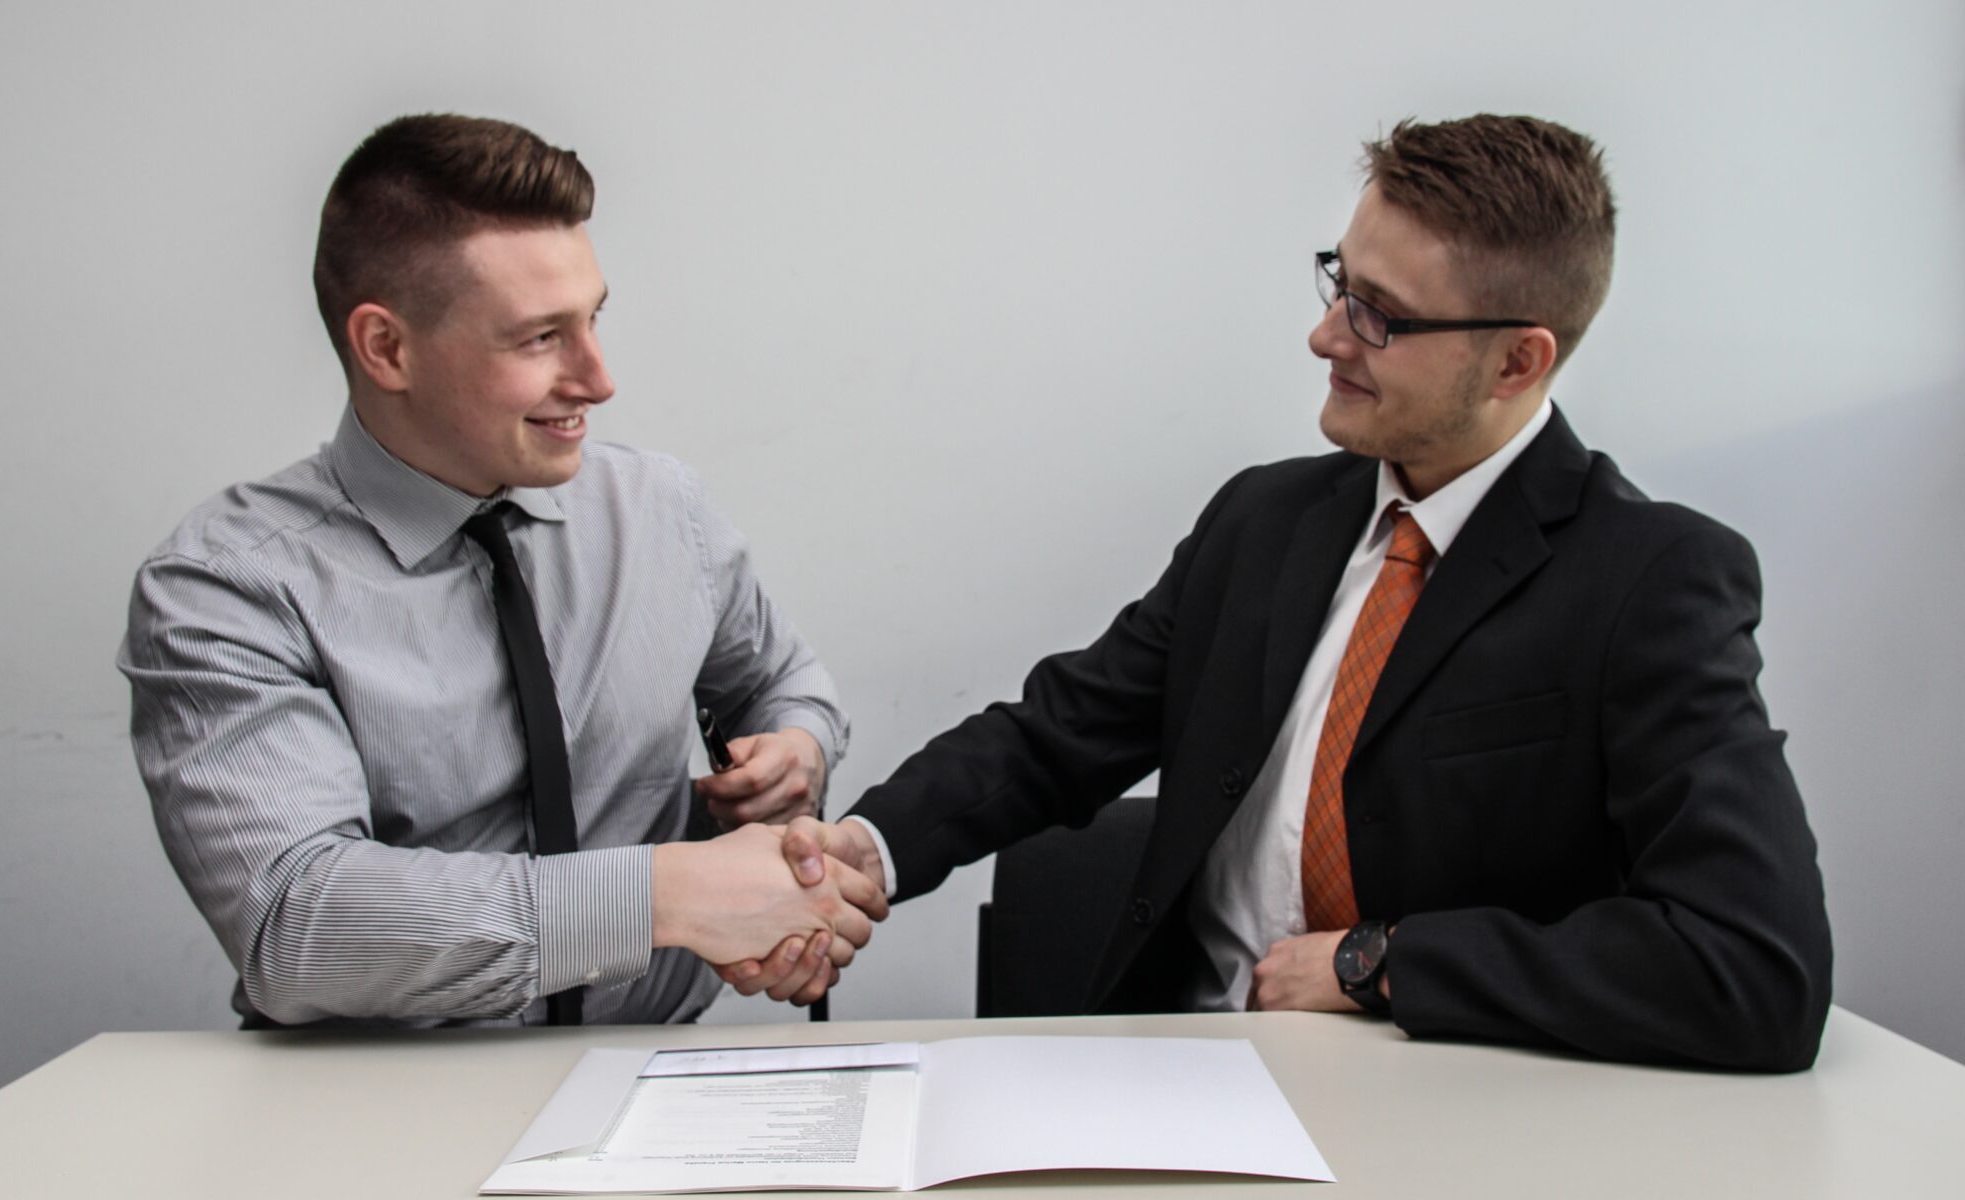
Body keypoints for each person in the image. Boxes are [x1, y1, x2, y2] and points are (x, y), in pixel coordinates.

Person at [741, 114, 1833, 1071]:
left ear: (1515, 362)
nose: (1325, 336)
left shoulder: (1649, 581)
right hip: (1179, 1074)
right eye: (1337, 284)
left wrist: (1378, 965)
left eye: (1378, 316)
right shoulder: (1265, 522)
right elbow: (1057, 735)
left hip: (1448, 1113)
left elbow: (1753, 967)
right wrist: (863, 850)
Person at [119, 113, 881, 1029]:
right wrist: (664, 894)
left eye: (593, 319)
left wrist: (792, 752)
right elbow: (299, 925)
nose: (598, 380)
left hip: (655, 1077)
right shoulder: (226, 589)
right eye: (539, 338)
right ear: (387, 349)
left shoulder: (662, 511)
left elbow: (782, 684)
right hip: (376, 1114)